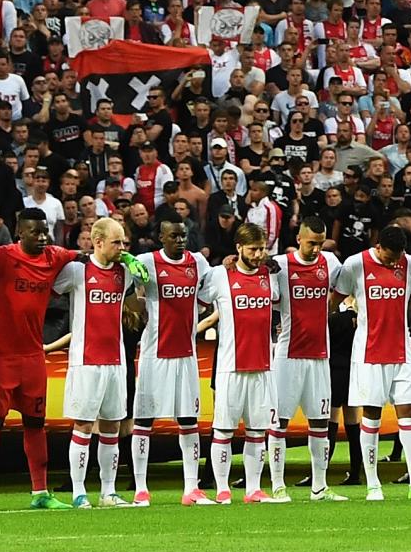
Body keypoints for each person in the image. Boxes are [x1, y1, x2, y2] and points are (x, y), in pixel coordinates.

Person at [0, 206, 77, 509]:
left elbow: (86, 257)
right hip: (0, 354)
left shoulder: (54, 256)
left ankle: (41, 493)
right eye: (36, 231)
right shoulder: (0, 256)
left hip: (33, 355)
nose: (43, 236)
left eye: (45, 230)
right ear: (20, 232)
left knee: (36, 423)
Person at [53, 216, 143, 510]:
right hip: (85, 360)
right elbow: (50, 284)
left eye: (124, 242)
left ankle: (108, 491)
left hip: (116, 361)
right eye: (117, 242)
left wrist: (137, 268)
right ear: (98, 242)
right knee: (83, 424)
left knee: (112, 427)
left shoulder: (124, 272)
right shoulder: (78, 271)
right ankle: (79, 491)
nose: (121, 247)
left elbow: (147, 282)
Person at [334, 222, 411, 501]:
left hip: (402, 350)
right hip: (369, 353)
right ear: (378, 247)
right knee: (371, 414)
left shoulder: (409, 264)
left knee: (409, 412)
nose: (393, 262)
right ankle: (373, 484)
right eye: (388, 257)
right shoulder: (355, 264)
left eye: (397, 257)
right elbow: (336, 298)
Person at [131, 214, 213, 508]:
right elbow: (127, 280)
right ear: (161, 238)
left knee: (188, 420)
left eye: (183, 235)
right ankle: (141, 488)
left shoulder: (198, 263)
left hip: (186, 356)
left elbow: (206, 296)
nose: (180, 241)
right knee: (143, 421)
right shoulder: (147, 262)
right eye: (174, 236)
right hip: (154, 355)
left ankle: (191, 488)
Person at [205, 222, 285, 506]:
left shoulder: (270, 275)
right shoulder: (219, 276)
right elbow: (200, 297)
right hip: (230, 366)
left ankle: (253, 489)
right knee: (224, 430)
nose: (258, 254)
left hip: (263, 366)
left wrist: (272, 263)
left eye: (262, 248)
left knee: (257, 431)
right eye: (253, 249)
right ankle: (223, 488)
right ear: (238, 248)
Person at [276, 217, 343, 501]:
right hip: (288, 356)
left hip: (319, 356)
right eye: (310, 243)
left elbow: (355, 278)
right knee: (279, 422)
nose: (315, 249)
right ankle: (277, 485)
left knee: (319, 421)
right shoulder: (279, 266)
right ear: (299, 239)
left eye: (320, 242)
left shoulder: (331, 263)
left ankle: (319, 487)